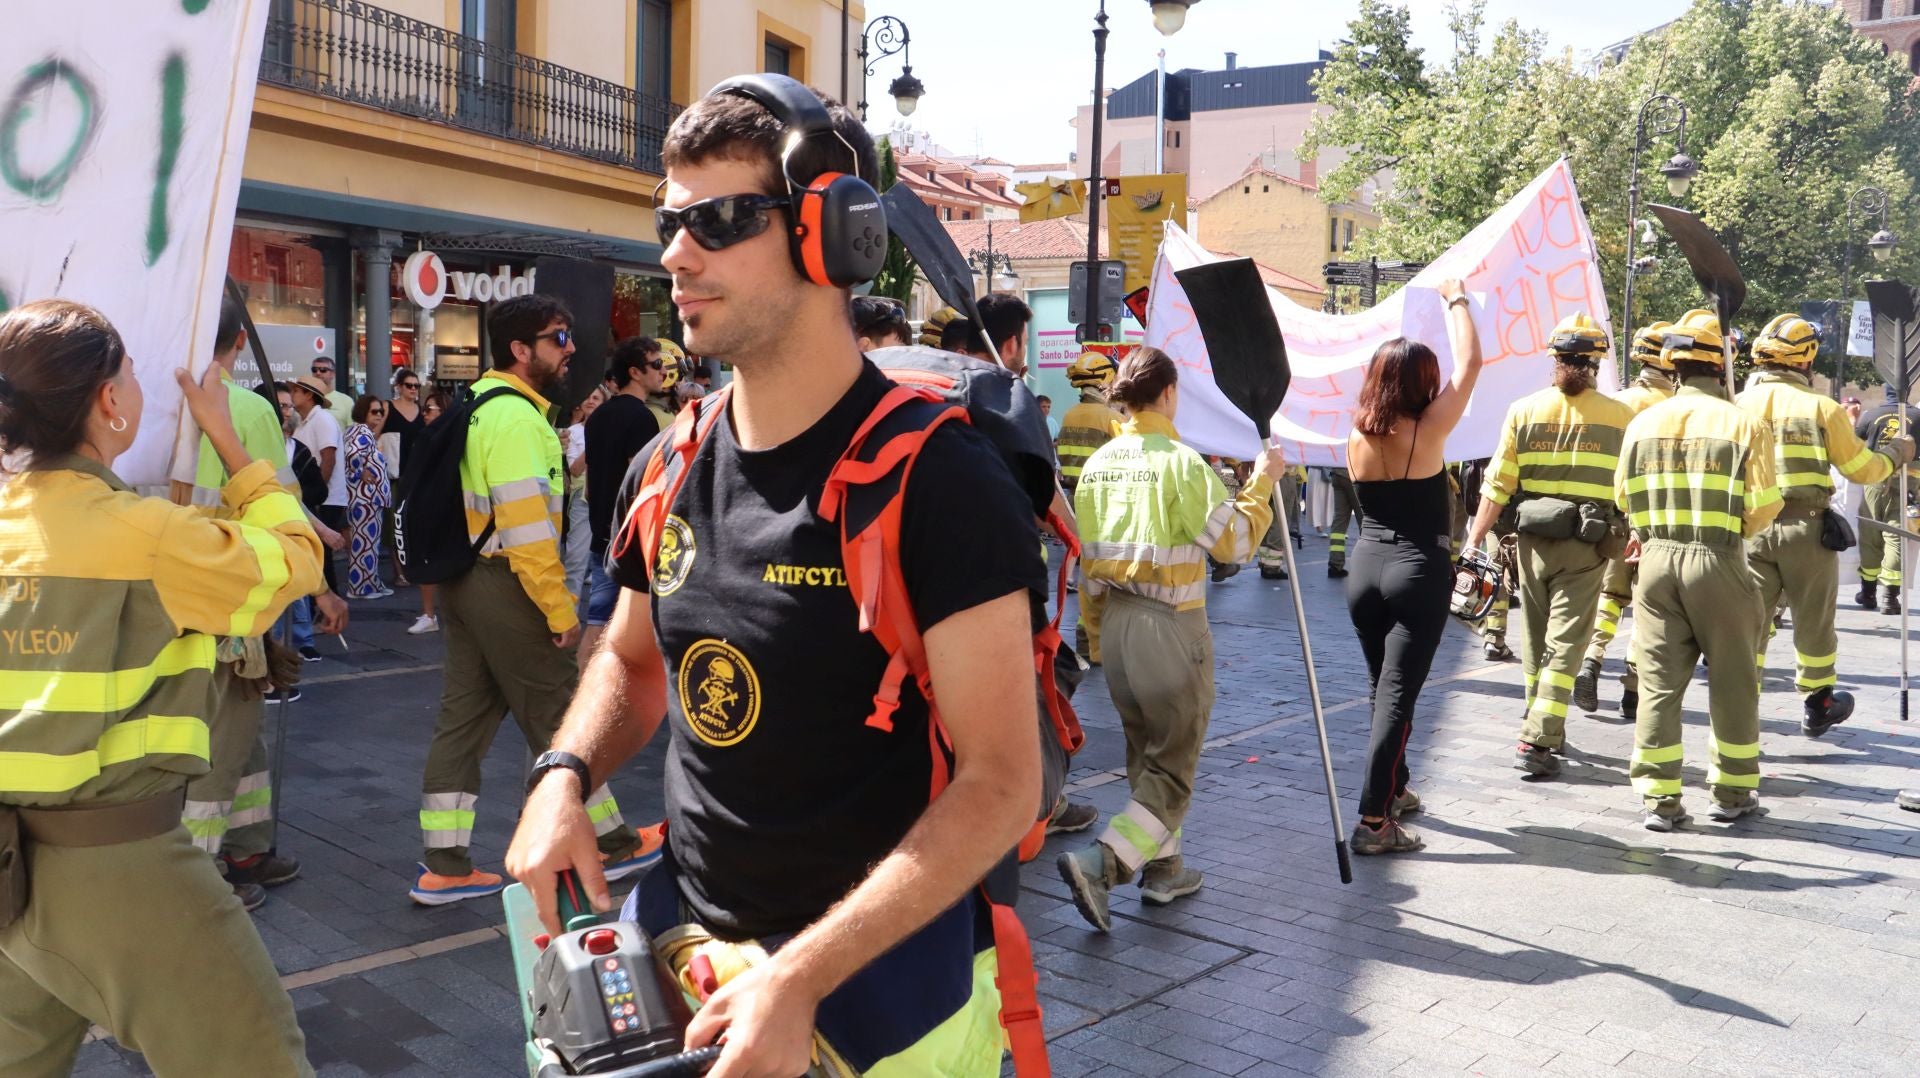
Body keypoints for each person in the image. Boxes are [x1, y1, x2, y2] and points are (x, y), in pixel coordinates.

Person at [507, 78, 1044, 1076]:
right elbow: (630, 657)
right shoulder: (666, 462)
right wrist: (564, 775)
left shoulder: (940, 480)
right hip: (690, 963)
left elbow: (1005, 783)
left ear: (832, 235)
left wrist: (799, 976)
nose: (676, 252)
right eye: (672, 221)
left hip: (879, 1003)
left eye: (718, 219)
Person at [0, 299, 321, 1075]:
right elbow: (298, 556)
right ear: (110, 401)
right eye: (133, 375)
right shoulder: (149, 536)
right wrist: (227, 439)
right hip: (120, 865)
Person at [411, 294, 651, 905]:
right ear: (521, 350)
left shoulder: (485, 406)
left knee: (462, 716)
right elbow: (526, 533)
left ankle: (444, 862)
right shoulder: (516, 419)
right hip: (507, 584)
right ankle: (614, 844)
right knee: (560, 712)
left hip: (468, 580)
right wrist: (559, 610)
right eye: (558, 338)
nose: (570, 350)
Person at [1058, 345, 1279, 926]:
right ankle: (1103, 864)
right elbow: (1233, 545)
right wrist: (1261, 486)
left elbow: (1087, 562)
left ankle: (1165, 871)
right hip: (1171, 627)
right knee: (1174, 768)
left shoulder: (1101, 465)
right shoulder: (1182, 464)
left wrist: (1099, 639)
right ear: (1169, 395)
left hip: (1120, 627)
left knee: (1147, 755)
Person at [180, 303, 344, 909]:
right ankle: (196, 879)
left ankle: (247, 846)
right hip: (232, 599)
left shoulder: (139, 402)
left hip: (166, 596)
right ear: (240, 339)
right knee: (220, 743)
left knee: (241, 727)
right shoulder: (246, 410)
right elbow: (279, 505)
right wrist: (321, 585)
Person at [1617, 310, 1781, 830]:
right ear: (1722, 368)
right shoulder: (1744, 424)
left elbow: (1623, 495)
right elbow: (1764, 505)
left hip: (1656, 561)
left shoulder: (1643, 422)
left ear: (1675, 368)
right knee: (1734, 680)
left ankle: (1659, 799)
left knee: (1659, 684)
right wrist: (1734, 533)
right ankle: (1732, 792)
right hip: (1719, 559)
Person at [1343, 279, 1482, 855]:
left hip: (1365, 571)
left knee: (1383, 690)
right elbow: (1472, 362)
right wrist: (1456, 299)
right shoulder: (1426, 430)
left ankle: (1395, 790)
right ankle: (1374, 821)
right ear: (1421, 383)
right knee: (1397, 698)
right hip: (1416, 571)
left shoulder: (1355, 432)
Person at [1464, 313, 1632, 777]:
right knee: (1567, 644)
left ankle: (1541, 721)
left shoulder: (1523, 410)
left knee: (1536, 639)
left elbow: (1496, 485)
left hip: (1530, 543)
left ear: (1554, 360)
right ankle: (1537, 739)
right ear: (1595, 362)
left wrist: (1475, 541)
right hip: (1586, 546)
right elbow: (1631, 489)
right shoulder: (1622, 417)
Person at [1741, 315, 1913, 735]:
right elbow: (1862, 469)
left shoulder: (1735, 403)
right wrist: (1896, 452)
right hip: (1806, 530)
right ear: (1807, 358)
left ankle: (1742, 700)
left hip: (1748, 530)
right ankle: (1818, 703)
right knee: (1813, 621)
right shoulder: (1821, 407)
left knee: (1751, 622)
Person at [1572, 320, 1678, 721]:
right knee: (1648, 606)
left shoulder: (1616, 402)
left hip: (1615, 515)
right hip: (1659, 520)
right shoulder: (1677, 407)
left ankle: (1592, 658)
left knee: (1610, 596)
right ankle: (1633, 690)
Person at [580, 338, 664, 659]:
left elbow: (589, 483)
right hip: (630, 539)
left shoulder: (598, 416)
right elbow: (644, 483)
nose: (663, 371)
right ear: (635, 372)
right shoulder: (641, 418)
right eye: (656, 365)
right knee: (639, 629)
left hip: (601, 532)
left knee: (598, 623)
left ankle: (584, 698)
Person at [1055, 351, 1125, 664]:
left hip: (1076, 502)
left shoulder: (1069, 415)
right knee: (1107, 575)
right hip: (1107, 503)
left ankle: (1086, 634)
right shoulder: (1113, 419)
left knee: (1088, 573)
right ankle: (1097, 637)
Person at [1854, 385, 1920, 614]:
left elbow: (1855, 441)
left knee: (1870, 536)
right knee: (1896, 537)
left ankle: (1868, 593)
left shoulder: (1871, 415)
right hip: (1908, 483)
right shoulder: (1918, 416)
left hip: (1875, 480)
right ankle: (1890, 598)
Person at [289, 373, 349, 595]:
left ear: (309, 395)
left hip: (326, 498)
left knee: (321, 553)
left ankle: (329, 603)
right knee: (316, 552)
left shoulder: (322, 419)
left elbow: (329, 457)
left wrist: (318, 492)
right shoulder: (303, 423)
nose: (292, 395)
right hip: (315, 497)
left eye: (296, 390)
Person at [344, 393, 394, 599]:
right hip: (366, 499)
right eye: (374, 411)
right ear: (363, 412)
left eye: (381, 412)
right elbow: (351, 455)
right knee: (364, 544)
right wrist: (359, 472)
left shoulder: (361, 432)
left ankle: (371, 583)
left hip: (367, 499)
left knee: (368, 544)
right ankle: (360, 588)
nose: (379, 415)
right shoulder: (361, 432)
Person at [562, 387, 604, 605]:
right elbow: (576, 470)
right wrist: (597, 441)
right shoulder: (574, 432)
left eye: (596, 397)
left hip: (607, 499)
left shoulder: (613, 429)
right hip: (582, 500)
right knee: (576, 560)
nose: (590, 400)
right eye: (587, 396)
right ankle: (570, 614)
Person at [1324, 465, 1358, 579]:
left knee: (1339, 521)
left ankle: (1335, 564)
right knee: (1366, 522)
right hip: (1354, 474)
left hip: (1337, 473)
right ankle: (1368, 566)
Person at [309, 355, 355, 430]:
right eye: (314, 370)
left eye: (323, 370)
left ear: (333, 374)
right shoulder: (307, 398)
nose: (318, 373)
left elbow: (352, 432)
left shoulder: (346, 401)